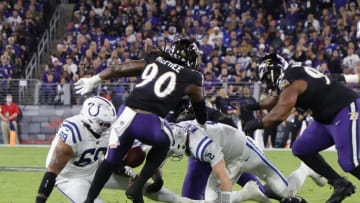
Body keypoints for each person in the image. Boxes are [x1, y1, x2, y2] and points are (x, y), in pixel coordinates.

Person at [74, 39, 209, 203]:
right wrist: (202, 123)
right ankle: (138, 185)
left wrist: (93, 80)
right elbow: (200, 106)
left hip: (125, 115)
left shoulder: (155, 59)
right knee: (165, 141)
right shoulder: (193, 77)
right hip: (148, 121)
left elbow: (119, 69)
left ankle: (88, 200)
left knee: (109, 161)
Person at [243, 53, 359, 203]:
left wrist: (257, 123)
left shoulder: (291, 79)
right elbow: (276, 98)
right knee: (301, 148)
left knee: (350, 162)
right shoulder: (292, 74)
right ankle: (340, 183)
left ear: (273, 71)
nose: (268, 85)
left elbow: (279, 114)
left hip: (345, 110)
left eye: (267, 79)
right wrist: (255, 105)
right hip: (326, 119)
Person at [35, 96, 192, 203]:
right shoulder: (72, 134)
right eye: (105, 124)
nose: (109, 127)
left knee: (142, 185)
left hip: (95, 168)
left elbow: (140, 149)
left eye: (110, 123)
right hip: (70, 177)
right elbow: (52, 172)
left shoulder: (109, 127)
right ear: (91, 121)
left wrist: (121, 166)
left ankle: (183, 201)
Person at [169, 120, 324, 203]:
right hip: (228, 158)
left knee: (287, 192)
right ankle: (248, 193)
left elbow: (223, 178)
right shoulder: (177, 131)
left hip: (246, 152)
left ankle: (305, 169)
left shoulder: (201, 146)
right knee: (213, 201)